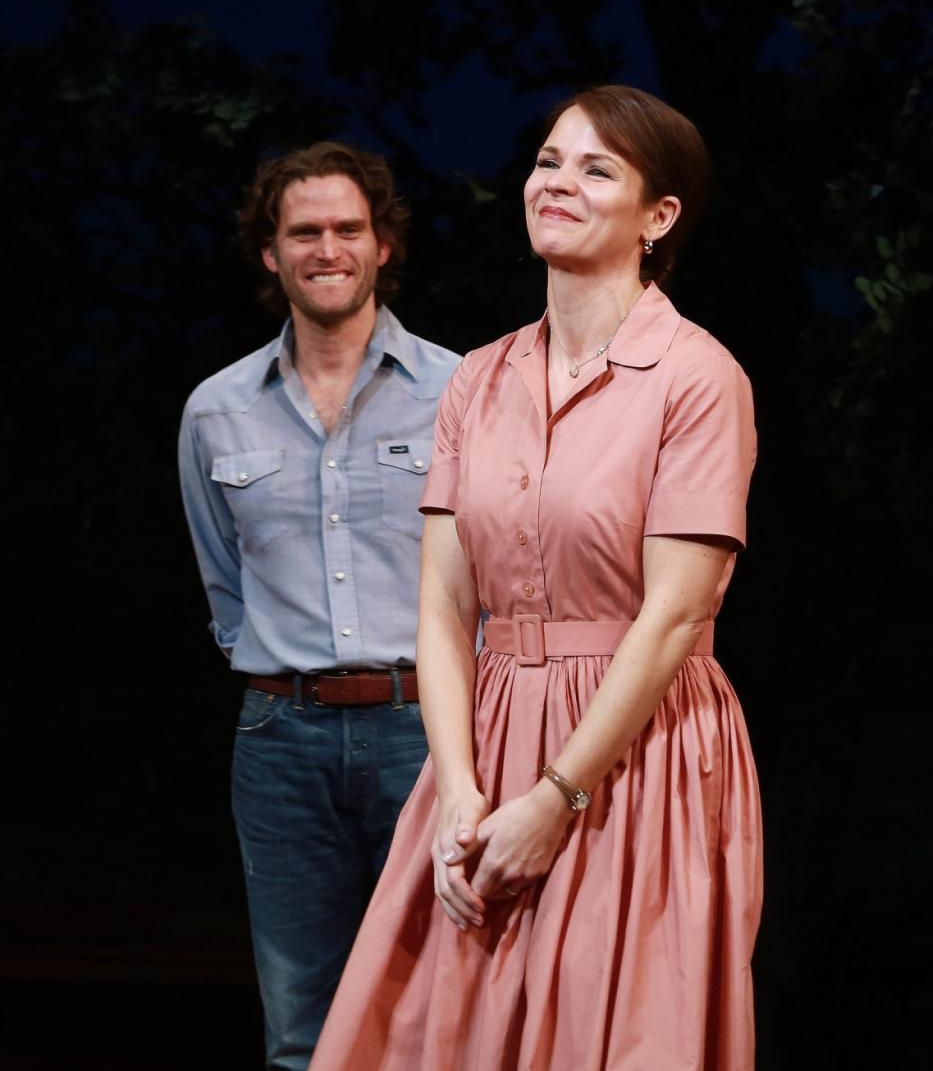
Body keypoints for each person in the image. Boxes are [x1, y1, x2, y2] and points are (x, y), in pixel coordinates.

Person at [310, 86, 763, 1071]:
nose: (559, 182)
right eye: (550, 160)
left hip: (634, 754)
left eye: (597, 169)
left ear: (660, 215)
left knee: (612, 1025)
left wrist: (558, 793)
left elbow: (675, 613)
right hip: (489, 739)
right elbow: (440, 603)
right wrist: (464, 791)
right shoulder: (479, 378)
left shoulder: (697, 376)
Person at [178, 141, 460, 1070]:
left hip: (430, 734)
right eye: (304, 231)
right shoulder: (217, 409)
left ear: (384, 245)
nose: (327, 247)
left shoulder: (463, 391)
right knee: (300, 1024)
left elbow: (501, 572)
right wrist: (270, 667)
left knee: (436, 1012)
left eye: (349, 228)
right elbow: (224, 582)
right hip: (279, 740)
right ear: (271, 253)